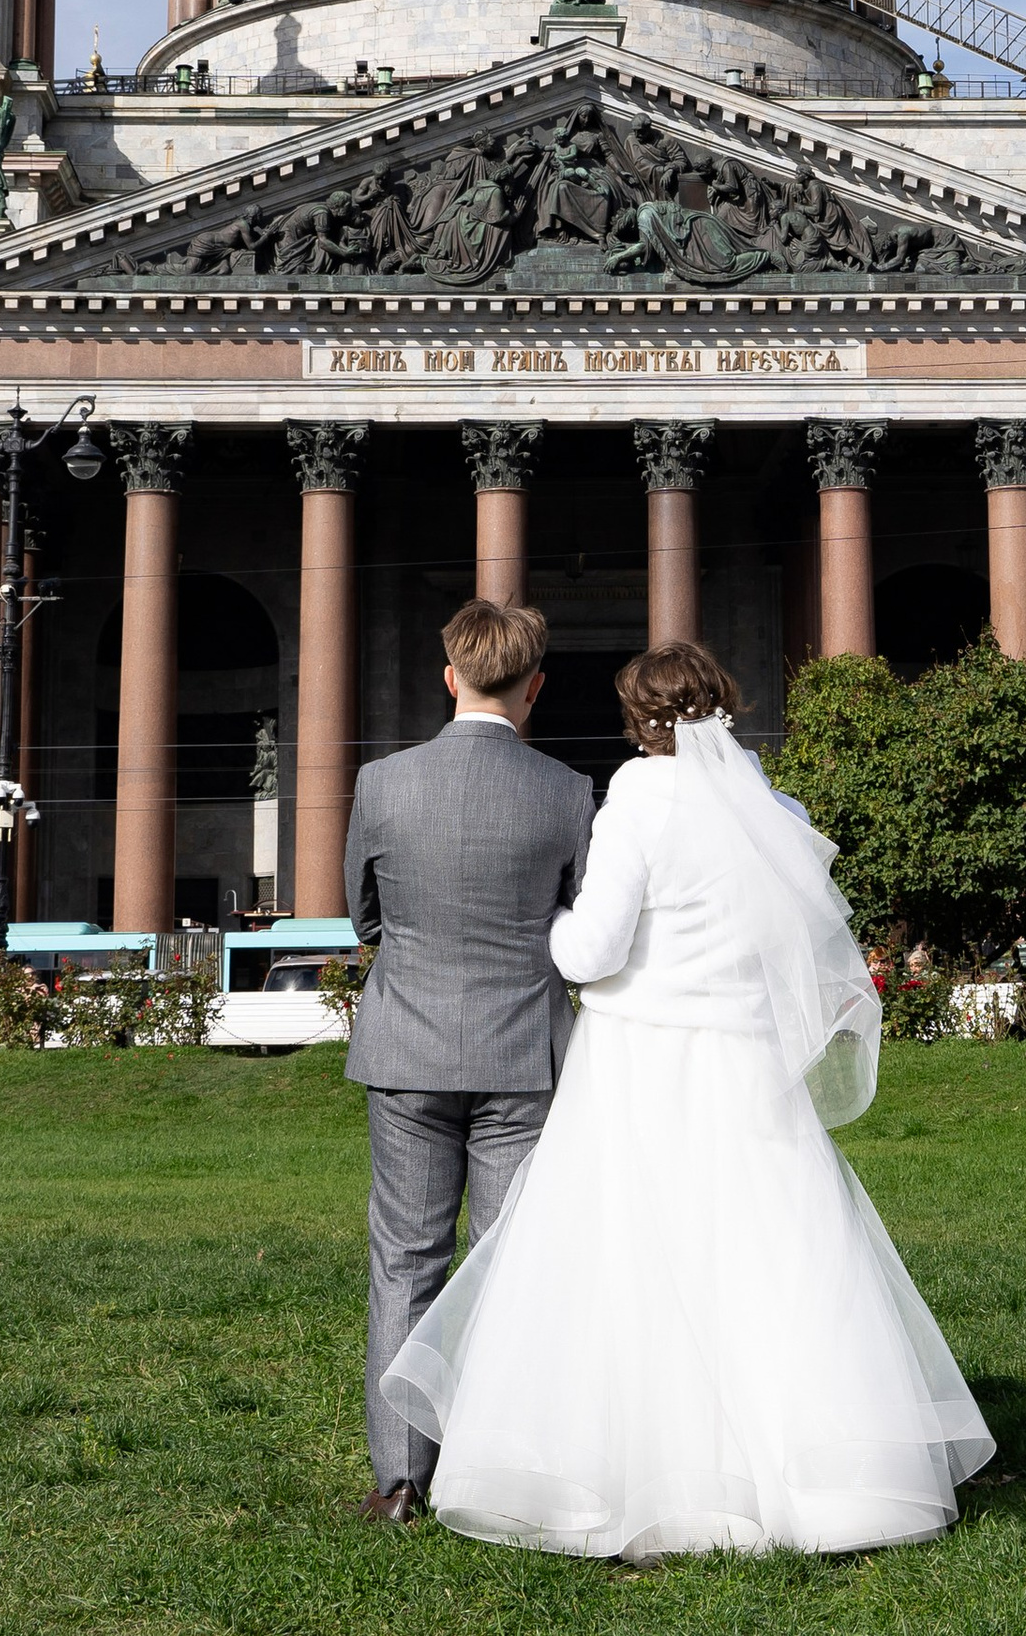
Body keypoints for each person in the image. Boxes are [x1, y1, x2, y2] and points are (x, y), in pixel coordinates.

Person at [384, 641, 992, 1559]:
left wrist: (540, 921)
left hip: (645, 1062)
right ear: (725, 707)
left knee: (631, 1262)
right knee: (765, 1259)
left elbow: (591, 953)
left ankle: (638, 1478)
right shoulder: (773, 807)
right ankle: (817, 1486)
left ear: (637, 719)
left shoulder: (638, 798)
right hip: (748, 1067)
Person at [344, 599, 597, 1526]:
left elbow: (363, 916)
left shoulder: (382, 783)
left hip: (408, 1047)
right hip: (524, 1053)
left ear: (448, 677)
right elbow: (579, 926)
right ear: (533, 688)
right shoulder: (570, 792)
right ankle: (494, 1471)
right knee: (505, 1264)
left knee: (405, 1262)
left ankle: (402, 1480)